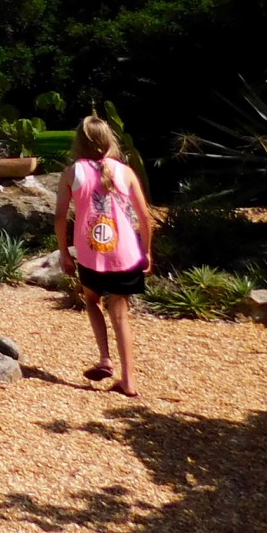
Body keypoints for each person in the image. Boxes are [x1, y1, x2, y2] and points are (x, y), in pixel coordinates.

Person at [54, 114, 152, 399]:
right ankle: (129, 381)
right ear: (109, 141)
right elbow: (145, 218)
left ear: (79, 143)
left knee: (92, 299)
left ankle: (105, 359)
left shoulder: (72, 173)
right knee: (120, 315)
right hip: (125, 253)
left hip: (90, 251)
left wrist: (64, 252)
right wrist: (146, 251)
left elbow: (60, 216)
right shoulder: (126, 172)